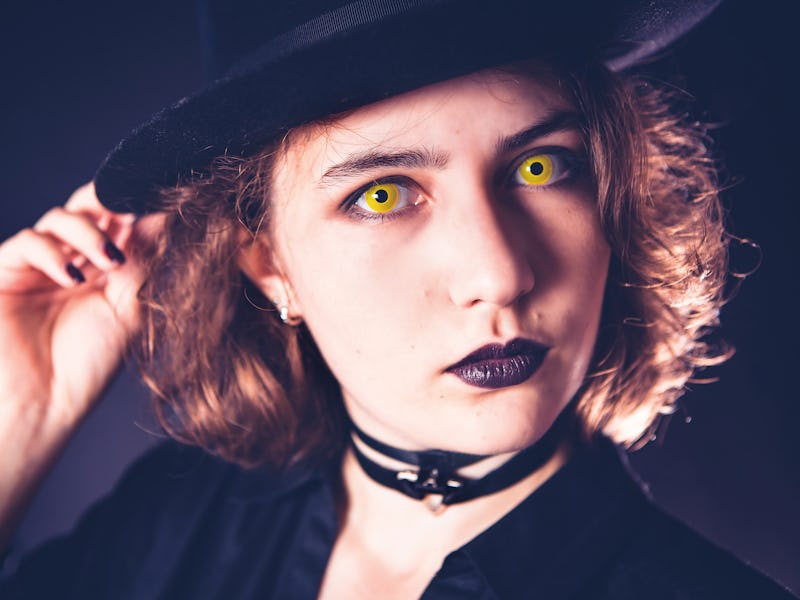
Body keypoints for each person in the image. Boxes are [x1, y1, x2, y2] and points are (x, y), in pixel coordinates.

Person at [0, 0, 796, 598]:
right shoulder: (178, 522)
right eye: (382, 195)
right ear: (269, 263)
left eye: (541, 168)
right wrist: (19, 414)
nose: (498, 275)